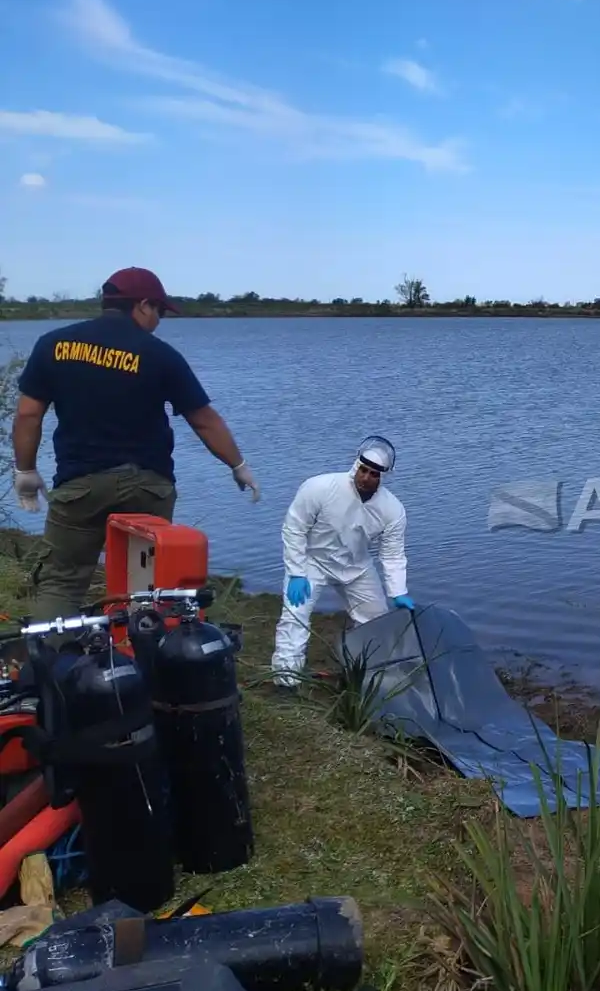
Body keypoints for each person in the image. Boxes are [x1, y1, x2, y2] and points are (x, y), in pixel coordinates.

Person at [11, 267, 259, 622]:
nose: (159, 320)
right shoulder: (159, 354)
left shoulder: (54, 345)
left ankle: (53, 665)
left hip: (81, 487)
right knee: (147, 588)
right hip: (148, 489)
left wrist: (26, 470)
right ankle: (142, 664)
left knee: (61, 582)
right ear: (142, 305)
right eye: (159, 310)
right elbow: (203, 419)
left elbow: (28, 415)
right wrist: (237, 465)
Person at [270, 436, 413, 688]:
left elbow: (391, 554)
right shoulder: (319, 488)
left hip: (357, 568)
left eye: (374, 474)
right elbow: (294, 528)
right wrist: (296, 572)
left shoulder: (393, 510)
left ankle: (371, 678)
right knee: (295, 617)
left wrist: (398, 591)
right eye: (364, 470)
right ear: (356, 465)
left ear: (383, 477)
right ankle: (286, 680)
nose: (367, 477)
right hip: (312, 562)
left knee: (377, 621)